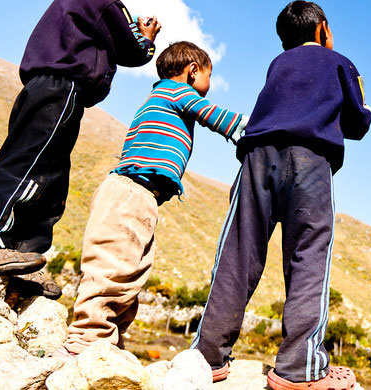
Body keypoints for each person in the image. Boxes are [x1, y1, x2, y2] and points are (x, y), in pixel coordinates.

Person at [190, 0, 371, 389]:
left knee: (239, 251)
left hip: (257, 157)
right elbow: (358, 123)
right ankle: (298, 368)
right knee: (308, 256)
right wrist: (364, 110)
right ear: (323, 29)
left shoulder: (277, 64)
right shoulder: (339, 61)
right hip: (311, 162)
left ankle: (207, 358)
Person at [0, 0, 160, 298]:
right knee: (29, 165)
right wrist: (147, 36)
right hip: (60, 90)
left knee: (52, 177)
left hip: (46, 90)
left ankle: (26, 256)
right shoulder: (104, 1)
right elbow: (133, 51)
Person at [59, 41, 248, 356]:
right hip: (130, 192)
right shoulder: (177, 92)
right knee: (112, 266)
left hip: (140, 195)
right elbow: (218, 117)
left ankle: (110, 343)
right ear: (192, 71)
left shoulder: (160, 95)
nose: (209, 86)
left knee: (131, 271)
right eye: (208, 75)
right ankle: (85, 340)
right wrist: (259, 130)